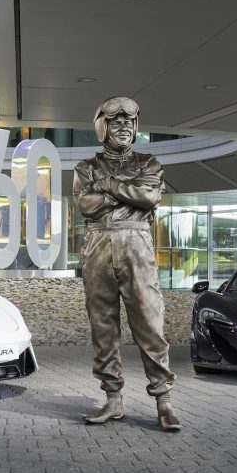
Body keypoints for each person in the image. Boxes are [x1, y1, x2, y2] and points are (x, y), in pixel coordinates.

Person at [73, 96, 180, 431]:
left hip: (136, 243)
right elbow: (87, 206)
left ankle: (164, 401)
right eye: (116, 122)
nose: (124, 128)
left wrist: (106, 187)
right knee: (103, 325)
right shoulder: (85, 167)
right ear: (102, 126)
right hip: (98, 245)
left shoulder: (149, 162)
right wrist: (122, 190)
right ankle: (112, 398)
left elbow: (149, 197)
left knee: (149, 320)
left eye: (129, 123)